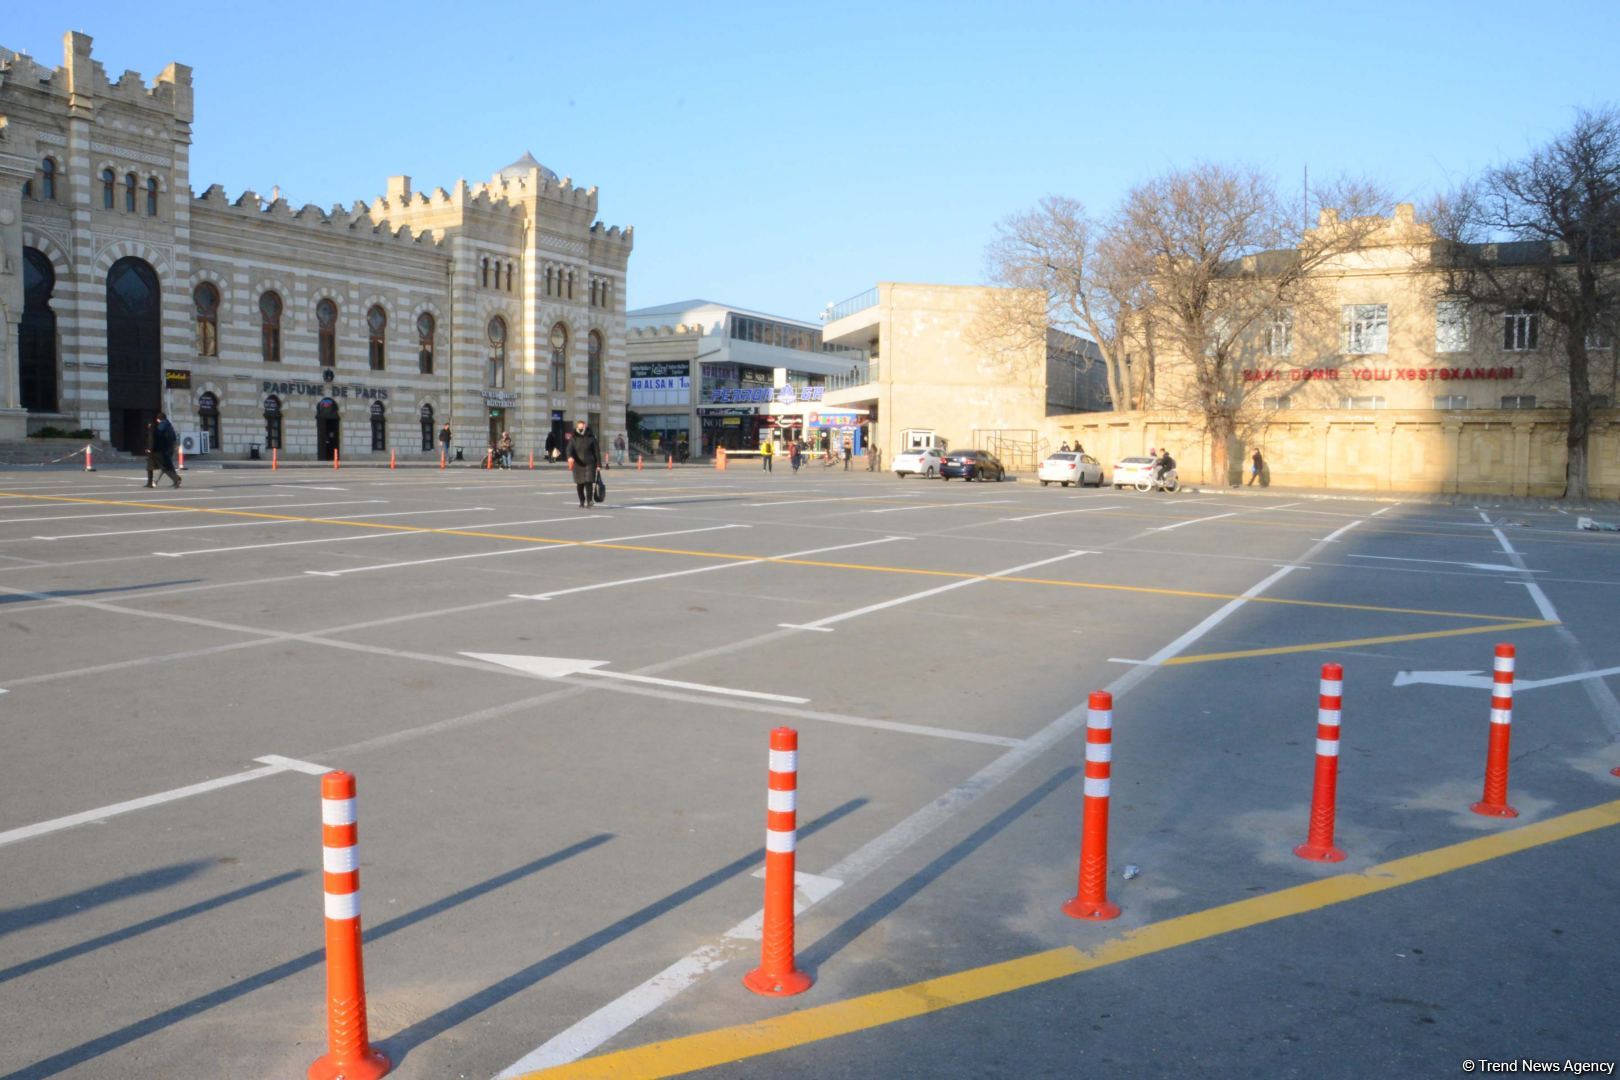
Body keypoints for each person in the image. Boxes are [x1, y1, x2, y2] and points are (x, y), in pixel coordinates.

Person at [567, 418, 600, 508]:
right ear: (577, 427)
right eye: (580, 426)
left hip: (590, 463)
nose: (581, 428)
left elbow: (596, 451)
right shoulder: (573, 438)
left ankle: (589, 501)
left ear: (585, 426)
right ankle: (582, 500)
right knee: (580, 484)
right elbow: (569, 449)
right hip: (578, 464)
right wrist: (569, 457)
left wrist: (598, 465)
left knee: (589, 483)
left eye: (583, 426)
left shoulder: (591, 437)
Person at [150, 410, 181, 488]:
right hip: (170, 447)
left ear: (158, 419)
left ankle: (155, 481)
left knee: (163, 465)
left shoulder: (162, 425)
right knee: (167, 465)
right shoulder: (169, 425)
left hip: (164, 448)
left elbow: (157, 435)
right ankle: (176, 479)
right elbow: (174, 437)